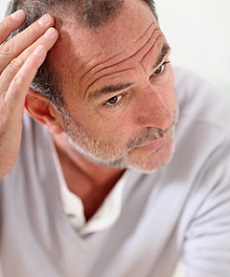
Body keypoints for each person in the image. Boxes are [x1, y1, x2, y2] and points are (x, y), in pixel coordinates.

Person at [0, 0, 229, 276]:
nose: (164, 118)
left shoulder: (216, 139)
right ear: (45, 111)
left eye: (159, 69)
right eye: (115, 98)